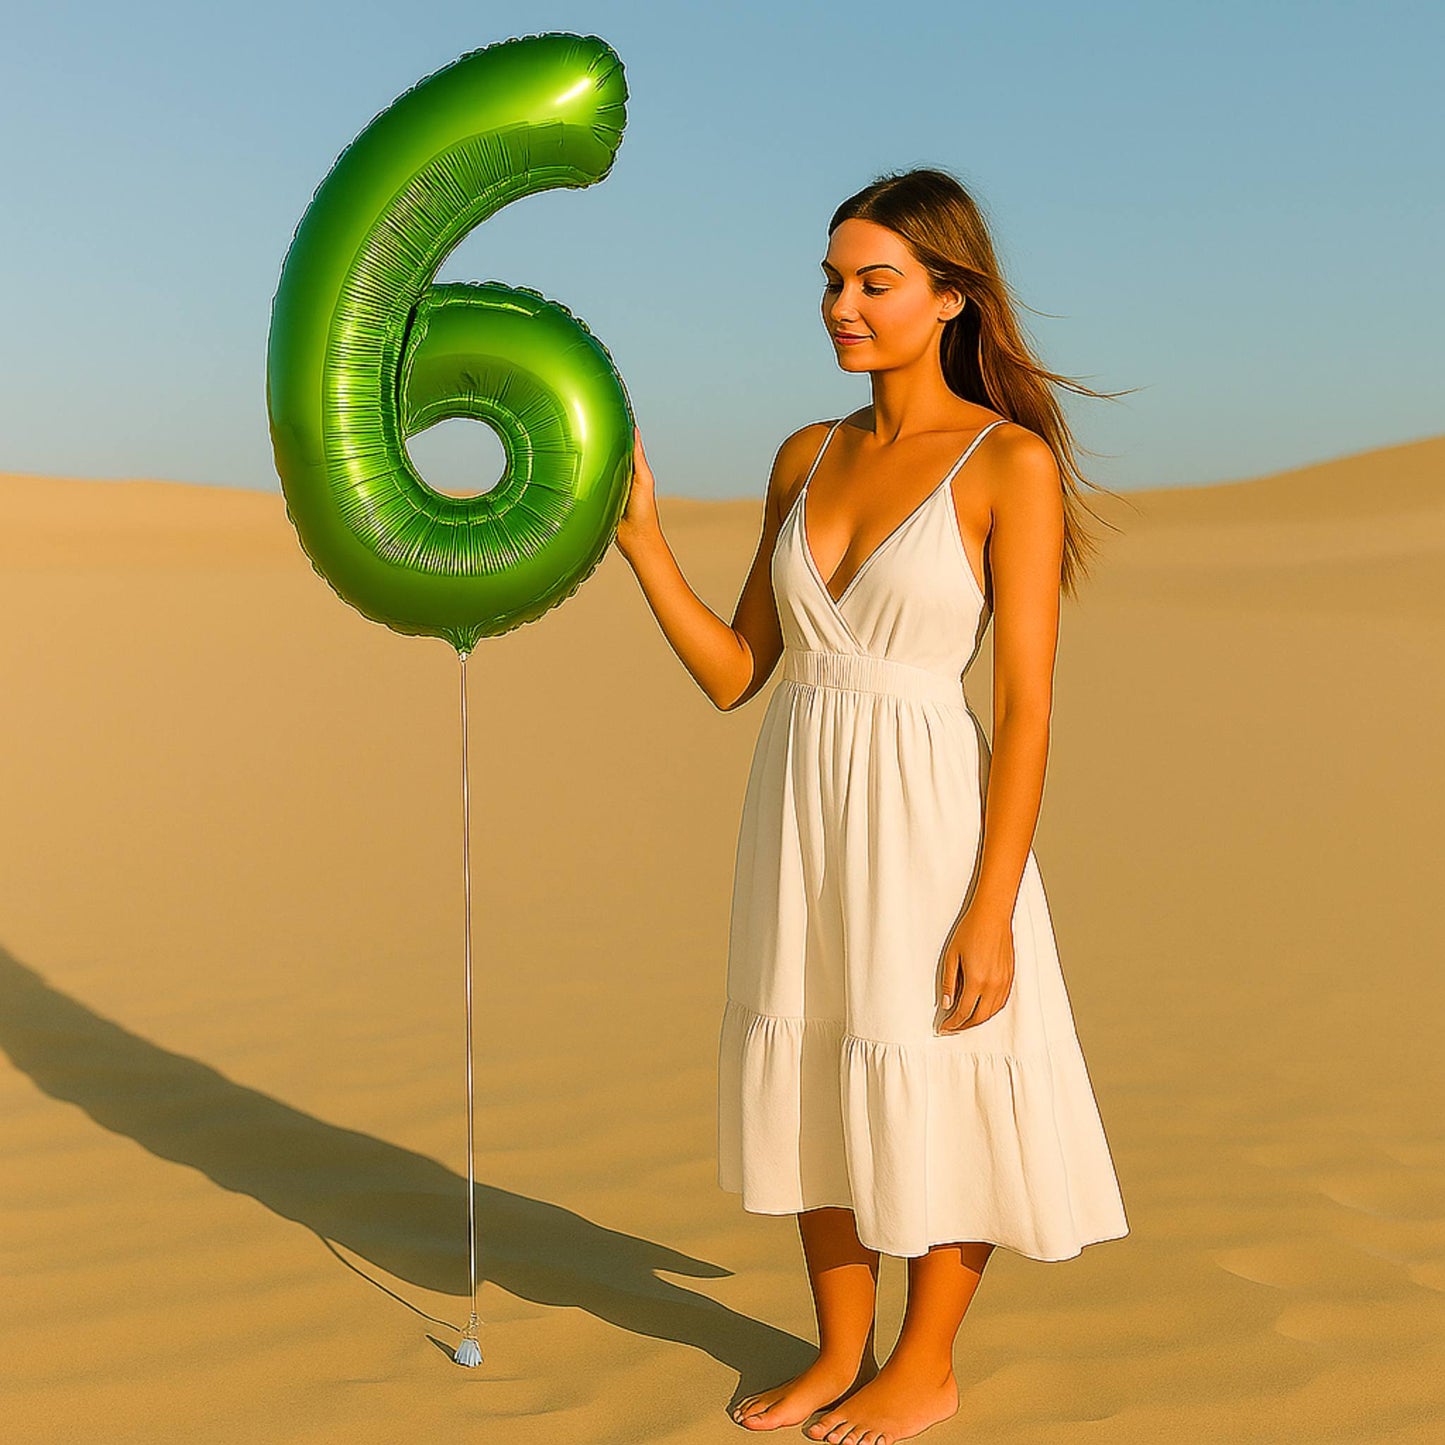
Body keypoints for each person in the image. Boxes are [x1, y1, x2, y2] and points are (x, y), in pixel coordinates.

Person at [614, 167, 1130, 1444]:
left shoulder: (1006, 464)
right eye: (832, 282)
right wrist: (641, 544)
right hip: (797, 803)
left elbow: (1024, 711)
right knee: (811, 1055)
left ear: (950, 298)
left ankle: (925, 1361)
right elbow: (739, 671)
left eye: (873, 282)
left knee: (934, 1069)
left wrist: (992, 902)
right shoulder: (808, 451)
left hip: (926, 816)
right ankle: (839, 1345)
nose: (841, 305)